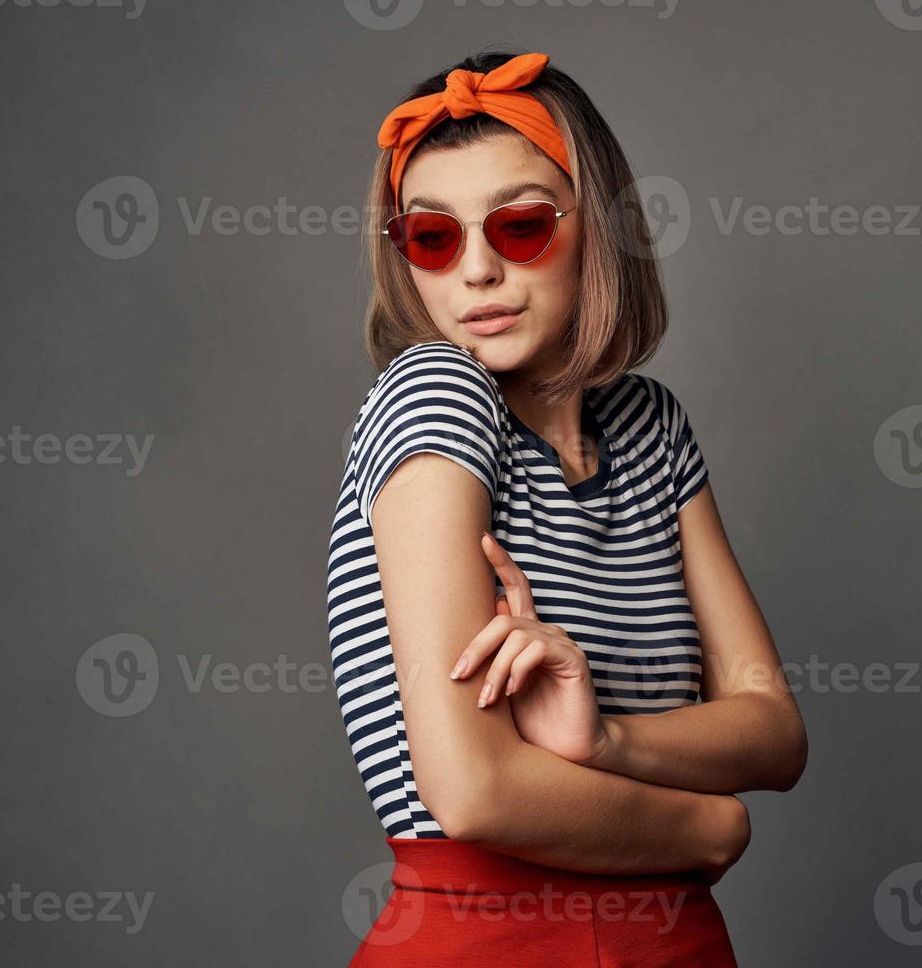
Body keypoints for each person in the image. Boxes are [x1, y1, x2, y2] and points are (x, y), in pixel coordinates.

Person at [325, 50, 808, 966]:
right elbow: (471, 792)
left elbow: (775, 731)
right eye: (433, 237)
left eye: (519, 228)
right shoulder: (435, 394)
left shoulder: (651, 426)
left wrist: (607, 739)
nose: (475, 273)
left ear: (599, 231)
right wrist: (712, 834)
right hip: (487, 939)